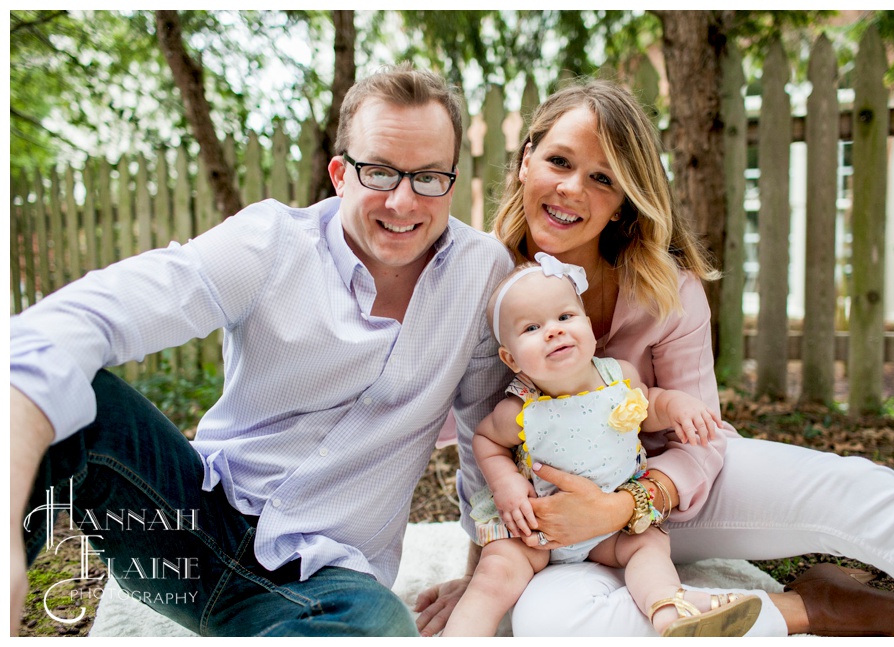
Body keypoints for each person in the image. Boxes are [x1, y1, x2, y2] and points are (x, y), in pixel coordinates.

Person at [415, 79, 894, 637]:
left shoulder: (665, 289)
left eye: (603, 178)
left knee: (861, 492)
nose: (572, 188)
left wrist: (625, 505)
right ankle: (815, 608)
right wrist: (485, 568)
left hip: (678, 494)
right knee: (556, 625)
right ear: (526, 160)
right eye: (558, 161)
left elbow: (703, 436)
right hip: (556, 523)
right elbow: (481, 437)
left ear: (625, 199)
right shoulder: (479, 283)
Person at [9, 64, 515, 637]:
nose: (403, 201)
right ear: (339, 175)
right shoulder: (271, 244)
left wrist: (480, 575)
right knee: (76, 396)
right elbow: (73, 323)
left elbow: (483, 438)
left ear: (451, 178)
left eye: (427, 177)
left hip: (328, 578)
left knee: (377, 621)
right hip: (188, 529)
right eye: (378, 172)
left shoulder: (480, 273)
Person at [443, 254, 762, 637]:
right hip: (538, 531)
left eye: (564, 317)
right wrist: (505, 483)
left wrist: (678, 405)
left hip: (611, 529)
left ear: (589, 328)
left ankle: (668, 610)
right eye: (532, 327)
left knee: (648, 546)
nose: (554, 331)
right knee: (494, 575)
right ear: (511, 358)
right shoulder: (520, 409)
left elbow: (651, 405)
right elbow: (485, 440)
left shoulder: (618, 378)